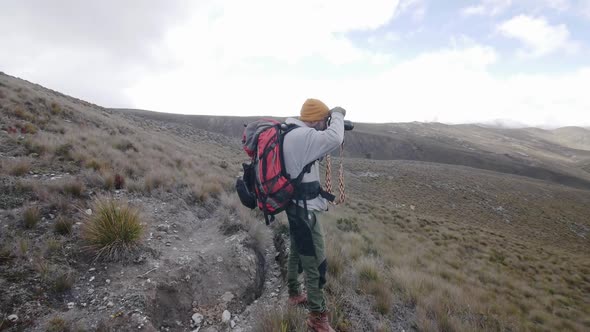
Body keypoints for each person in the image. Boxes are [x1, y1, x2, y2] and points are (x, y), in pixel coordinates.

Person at [281, 98, 346, 332]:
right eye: (324, 121)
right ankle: (318, 317)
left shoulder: (291, 133)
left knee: (298, 250)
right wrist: (337, 115)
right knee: (315, 261)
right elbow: (335, 138)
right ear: (317, 120)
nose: (325, 124)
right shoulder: (305, 137)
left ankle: (294, 293)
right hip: (305, 210)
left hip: (295, 206)